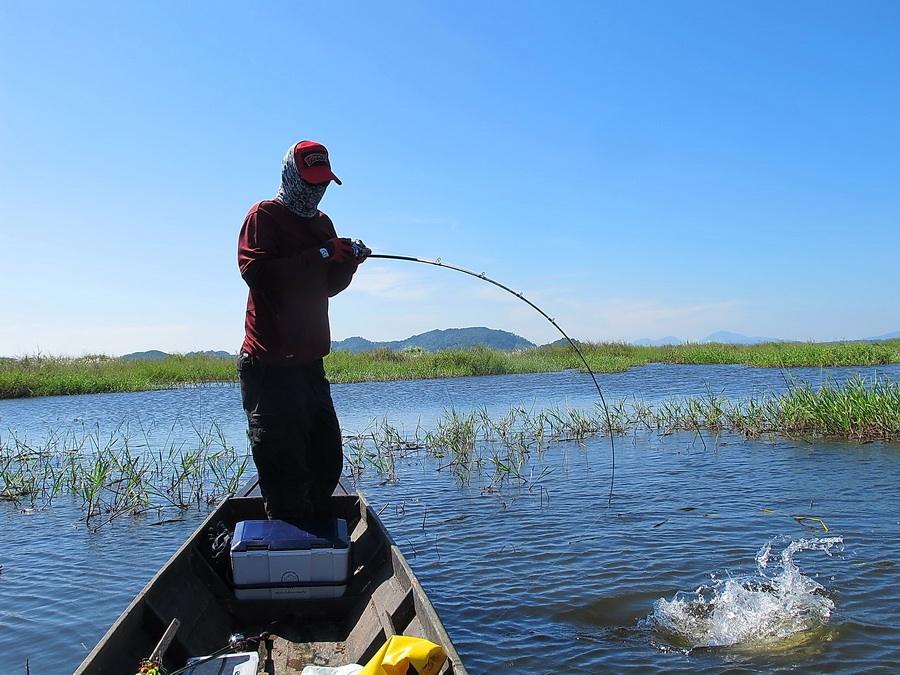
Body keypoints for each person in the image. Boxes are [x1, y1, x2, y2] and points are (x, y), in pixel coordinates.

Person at [237, 140, 367, 522]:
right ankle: (286, 551)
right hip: (269, 369)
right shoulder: (263, 217)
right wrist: (324, 254)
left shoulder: (323, 224)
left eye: (323, 182)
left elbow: (325, 286)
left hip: (310, 367)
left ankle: (314, 539)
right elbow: (257, 274)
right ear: (291, 176)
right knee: (284, 473)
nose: (317, 189)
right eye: (310, 182)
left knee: (326, 460)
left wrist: (348, 263)